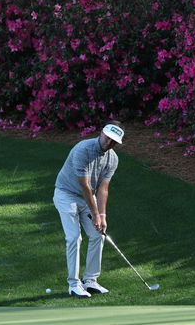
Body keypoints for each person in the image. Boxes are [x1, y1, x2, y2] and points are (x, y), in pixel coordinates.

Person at [53, 121, 124, 298]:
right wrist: (94, 214)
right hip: (66, 194)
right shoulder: (82, 149)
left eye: (113, 141)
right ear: (101, 133)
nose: (109, 143)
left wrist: (102, 215)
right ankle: (73, 284)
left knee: (97, 234)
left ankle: (91, 281)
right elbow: (84, 185)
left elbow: (103, 189)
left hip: (87, 197)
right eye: (107, 138)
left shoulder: (112, 159)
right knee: (74, 237)